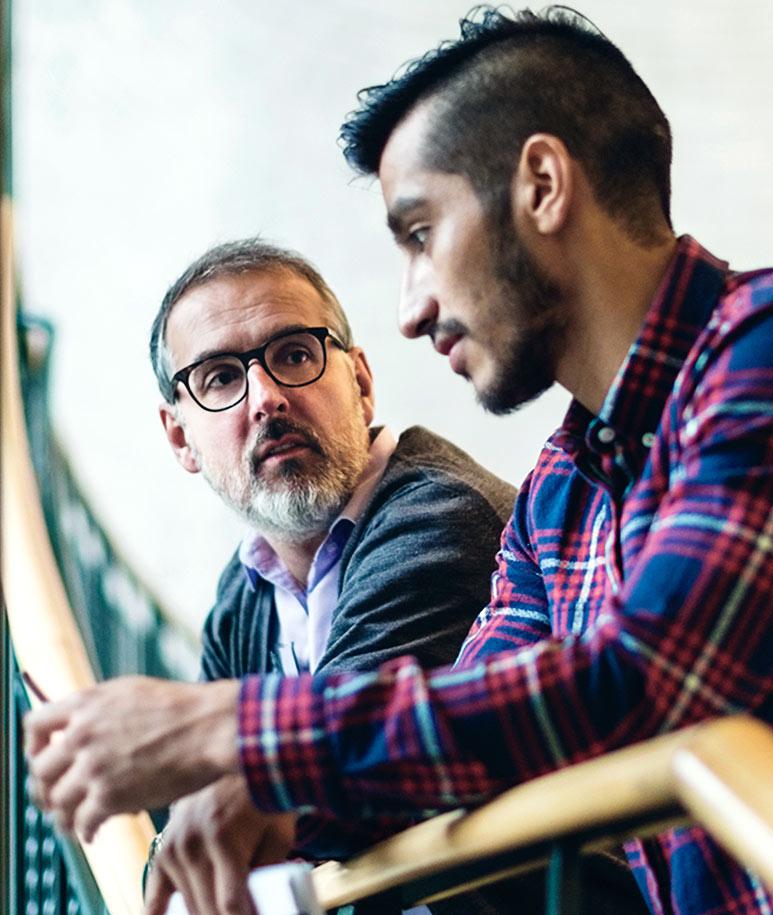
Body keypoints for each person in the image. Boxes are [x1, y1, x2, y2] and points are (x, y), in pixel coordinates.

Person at [26, 9, 773, 913]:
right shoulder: (560, 495)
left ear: (543, 186)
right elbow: (483, 717)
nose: (411, 310)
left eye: (420, 234)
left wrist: (229, 734)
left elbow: (641, 688)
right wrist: (283, 789)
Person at [141, 240, 519, 914]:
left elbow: (319, 760)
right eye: (221, 377)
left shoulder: (440, 518)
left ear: (361, 381)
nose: (267, 398)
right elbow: (202, 817)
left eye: (293, 354)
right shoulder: (244, 592)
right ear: (180, 439)